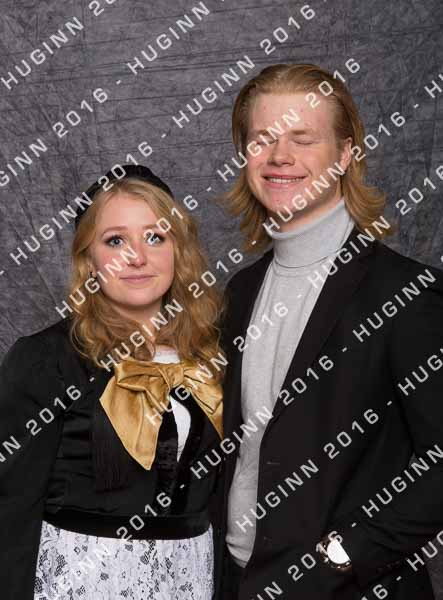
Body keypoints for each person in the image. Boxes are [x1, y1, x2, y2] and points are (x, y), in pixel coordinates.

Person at [215, 63, 443, 599]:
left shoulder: (407, 294)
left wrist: (346, 556)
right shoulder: (240, 292)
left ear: (345, 155)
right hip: (237, 581)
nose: (280, 157)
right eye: (263, 139)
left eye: (302, 138)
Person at [0, 164, 225, 599]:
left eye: (155, 237)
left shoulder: (212, 355)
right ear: (89, 259)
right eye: (115, 240)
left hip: (191, 579)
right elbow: (9, 507)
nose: (137, 257)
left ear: (178, 250)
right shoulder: (46, 359)